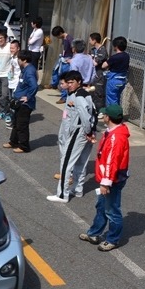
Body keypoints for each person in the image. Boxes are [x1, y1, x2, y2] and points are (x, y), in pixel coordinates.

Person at [78, 104, 130, 251]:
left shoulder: (116, 137)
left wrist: (105, 183)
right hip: (109, 178)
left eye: (104, 115)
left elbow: (111, 162)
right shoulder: (113, 132)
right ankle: (94, 233)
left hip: (112, 179)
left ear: (108, 117)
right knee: (101, 206)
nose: (103, 116)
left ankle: (113, 239)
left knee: (112, 210)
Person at [47, 71, 97, 203]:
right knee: (81, 161)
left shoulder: (79, 96)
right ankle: (77, 189)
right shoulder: (80, 94)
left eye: (71, 82)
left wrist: (87, 132)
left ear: (79, 82)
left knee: (66, 162)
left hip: (79, 132)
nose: (69, 85)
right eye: (67, 82)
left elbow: (85, 117)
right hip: (84, 132)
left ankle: (62, 194)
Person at [3, 50, 38, 153]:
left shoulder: (30, 71)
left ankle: (24, 146)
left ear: (24, 60)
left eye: (19, 59)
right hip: (18, 102)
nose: (17, 61)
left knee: (22, 125)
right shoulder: (25, 69)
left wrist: (28, 97)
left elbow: (34, 86)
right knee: (16, 123)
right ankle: (13, 141)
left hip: (25, 104)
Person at [102, 36, 129, 106]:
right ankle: (117, 114)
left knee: (111, 100)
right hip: (122, 81)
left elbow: (103, 65)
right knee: (117, 98)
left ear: (116, 46)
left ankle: (112, 116)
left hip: (113, 80)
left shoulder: (114, 57)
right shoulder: (126, 56)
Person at [51, 25, 74, 103]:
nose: (57, 38)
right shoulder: (64, 39)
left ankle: (64, 97)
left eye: (57, 36)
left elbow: (74, 50)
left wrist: (72, 59)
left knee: (64, 78)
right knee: (56, 71)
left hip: (67, 60)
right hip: (63, 58)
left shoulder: (69, 39)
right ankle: (54, 84)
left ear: (60, 33)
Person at [88, 32, 108, 109]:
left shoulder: (102, 50)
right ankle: (92, 108)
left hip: (99, 75)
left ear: (95, 40)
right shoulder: (92, 50)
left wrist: (90, 58)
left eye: (90, 40)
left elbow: (95, 63)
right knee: (91, 92)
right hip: (92, 74)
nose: (89, 41)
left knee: (98, 93)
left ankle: (100, 110)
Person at [4, 40, 22, 127]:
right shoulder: (13, 57)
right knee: (11, 101)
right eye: (10, 48)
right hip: (11, 82)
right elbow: (12, 69)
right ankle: (13, 119)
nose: (11, 49)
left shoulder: (19, 59)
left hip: (16, 84)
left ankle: (15, 122)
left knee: (15, 102)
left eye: (13, 48)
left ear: (18, 48)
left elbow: (21, 71)